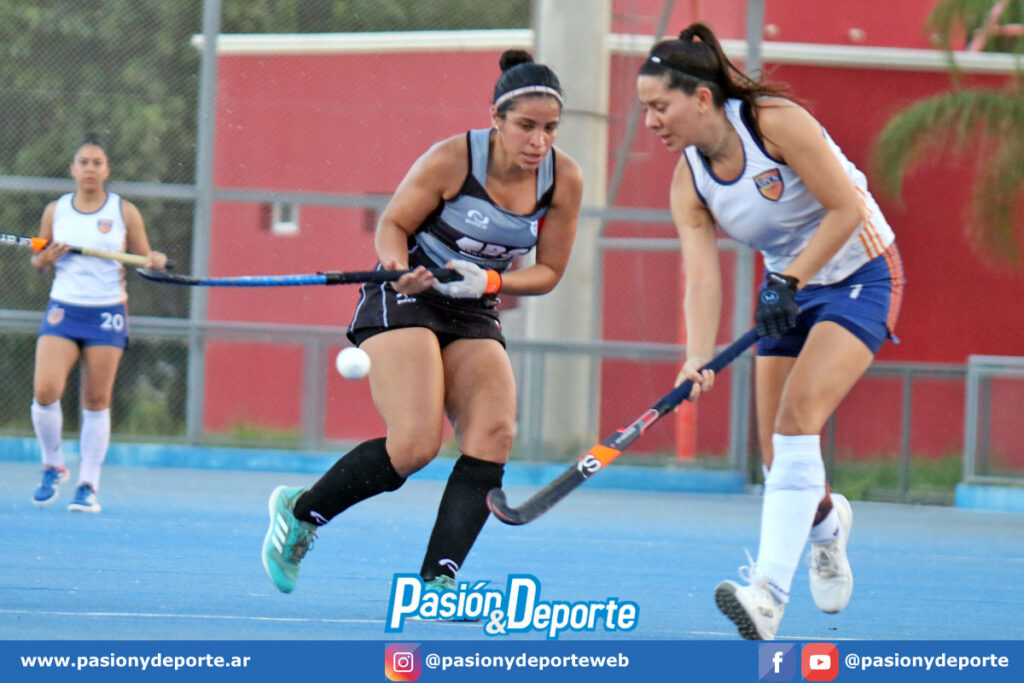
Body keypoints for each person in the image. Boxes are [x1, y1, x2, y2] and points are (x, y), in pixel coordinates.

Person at [261, 51, 583, 595]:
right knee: (414, 445)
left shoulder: (563, 179)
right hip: (408, 294)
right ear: (496, 119)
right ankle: (300, 513)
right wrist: (398, 269)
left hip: (473, 305)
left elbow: (549, 271)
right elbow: (392, 224)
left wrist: (491, 282)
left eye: (550, 129)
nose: (538, 141)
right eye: (526, 126)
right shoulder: (452, 159)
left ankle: (439, 581)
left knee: (494, 434)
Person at [637, 24, 904, 640]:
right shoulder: (689, 180)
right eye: (645, 109)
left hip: (861, 273)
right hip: (788, 290)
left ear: (702, 97)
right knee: (777, 455)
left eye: (660, 106)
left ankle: (767, 596)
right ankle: (827, 528)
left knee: (797, 419)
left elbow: (847, 209)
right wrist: (697, 357)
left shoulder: (775, 124)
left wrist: (790, 280)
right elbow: (702, 278)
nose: (650, 122)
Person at [30, 133, 168, 513]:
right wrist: (45, 259)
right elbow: (38, 259)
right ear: (73, 169)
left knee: (96, 399)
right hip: (64, 309)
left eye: (97, 163)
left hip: (106, 312)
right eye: (84, 163)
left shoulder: (124, 212)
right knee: (45, 391)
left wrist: (154, 260)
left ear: (106, 170)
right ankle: (53, 465)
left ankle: (88, 484)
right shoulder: (57, 211)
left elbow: (145, 259)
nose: (90, 169)